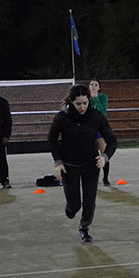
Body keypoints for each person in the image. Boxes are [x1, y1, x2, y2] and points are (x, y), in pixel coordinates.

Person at [48, 85, 117, 242]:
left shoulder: (96, 116)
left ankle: (84, 227)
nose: (82, 107)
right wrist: (58, 162)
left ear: (89, 101)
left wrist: (105, 157)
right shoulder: (62, 117)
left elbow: (112, 140)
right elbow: (52, 139)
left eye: (85, 103)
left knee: (89, 201)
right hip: (69, 165)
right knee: (75, 205)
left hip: (90, 165)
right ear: (72, 102)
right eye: (78, 104)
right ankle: (71, 207)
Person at [89, 78, 111, 186]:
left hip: (100, 127)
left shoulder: (103, 97)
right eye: (92, 84)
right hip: (89, 128)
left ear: (99, 88)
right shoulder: (86, 98)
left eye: (95, 84)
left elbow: (102, 111)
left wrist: (96, 98)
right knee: (91, 154)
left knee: (104, 152)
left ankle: (105, 178)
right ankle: (91, 179)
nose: (93, 86)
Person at [0, 95, 11, 189]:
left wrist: (6, 136)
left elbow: (7, 120)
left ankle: (4, 180)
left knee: (1, 159)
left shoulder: (2, 103)